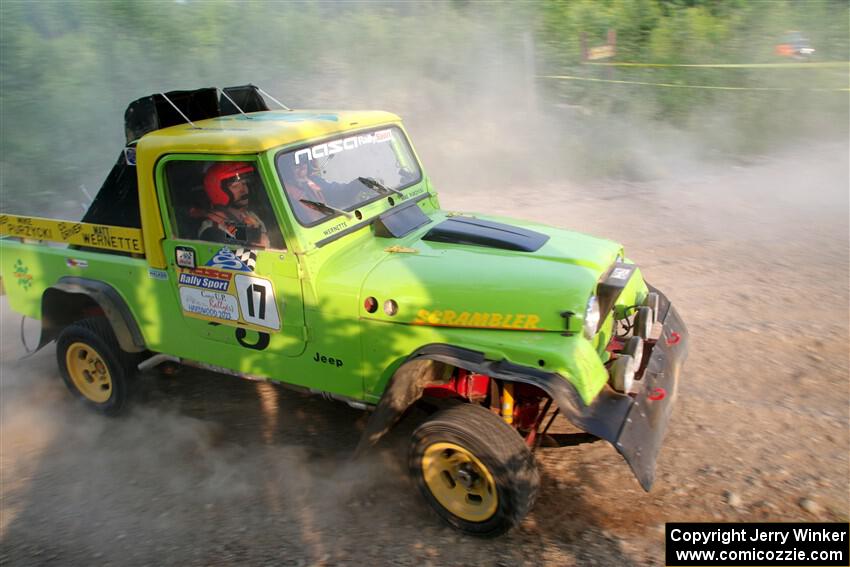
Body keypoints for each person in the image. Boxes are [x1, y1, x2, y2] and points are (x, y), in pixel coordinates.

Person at [198, 162, 270, 247]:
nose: (244, 190)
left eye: (244, 184)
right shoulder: (212, 230)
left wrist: (254, 232)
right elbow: (232, 256)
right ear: (217, 191)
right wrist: (255, 237)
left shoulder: (250, 215)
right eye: (235, 186)